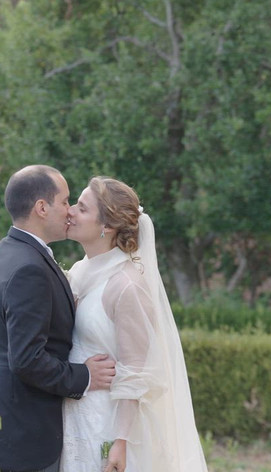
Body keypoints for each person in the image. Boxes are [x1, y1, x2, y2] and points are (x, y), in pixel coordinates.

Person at [0, 165, 117, 472]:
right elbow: (27, 359)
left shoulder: (4, 252)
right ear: (41, 208)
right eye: (65, 201)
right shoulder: (29, 268)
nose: (69, 211)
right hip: (21, 430)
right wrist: (84, 376)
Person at [61, 177, 208, 472]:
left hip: (108, 424)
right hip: (75, 411)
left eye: (82, 208)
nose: (70, 213)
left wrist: (120, 440)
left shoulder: (127, 286)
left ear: (107, 226)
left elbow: (136, 370)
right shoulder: (79, 271)